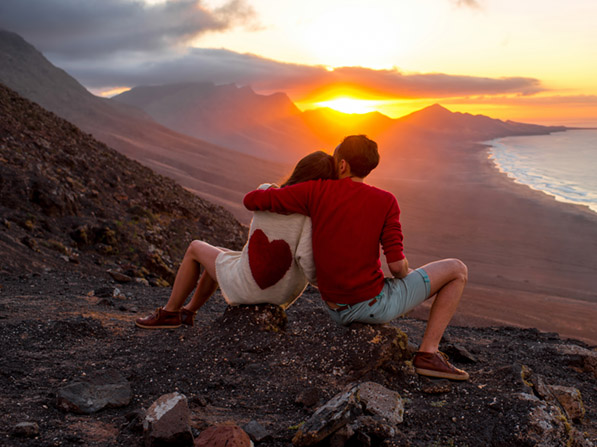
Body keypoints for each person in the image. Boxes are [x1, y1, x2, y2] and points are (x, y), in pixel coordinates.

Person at [243, 135, 470, 381]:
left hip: (334, 308)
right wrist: (407, 273)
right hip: (371, 307)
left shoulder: (315, 191)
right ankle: (428, 354)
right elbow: (396, 268)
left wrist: (282, 192)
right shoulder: (386, 201)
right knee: (457, 270)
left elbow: (251, 200)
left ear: (342, 165)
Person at [135, 151, 337, 329]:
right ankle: (188, 311)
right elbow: (308, 263)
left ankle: (170, 313)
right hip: (281, 295)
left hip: (251, 288)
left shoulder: (267, 192)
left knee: (195, 247)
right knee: (221, 253)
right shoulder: (311, 217)